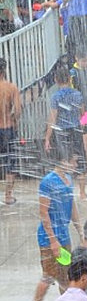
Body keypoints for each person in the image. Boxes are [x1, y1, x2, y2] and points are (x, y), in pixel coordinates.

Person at [28, 147, 81, 301]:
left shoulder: (69, 180)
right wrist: (53, 241)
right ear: (62, 162)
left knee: (65, 277)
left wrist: (79, 229)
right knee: (48, 276)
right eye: (73, 161)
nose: (75, 165)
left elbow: (72, 204)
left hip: (64, 234)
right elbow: (43, 213)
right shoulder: (47, 182)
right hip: (48, 237)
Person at [0, 56, 21, 206]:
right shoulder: (11, 87)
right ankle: (8, 196)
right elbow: (18, 110)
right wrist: (14, 120)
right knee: (10, 163)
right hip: (7, 128)